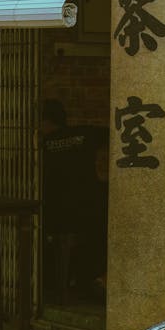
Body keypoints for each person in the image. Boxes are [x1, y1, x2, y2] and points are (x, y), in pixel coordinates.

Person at [41, 98, 108, 304]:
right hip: (89, 206)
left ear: (45, 121)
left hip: (57, 212)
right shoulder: (84, 133)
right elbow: (112, 134)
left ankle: (62, 287)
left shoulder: (43, 144)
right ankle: (91, 281)